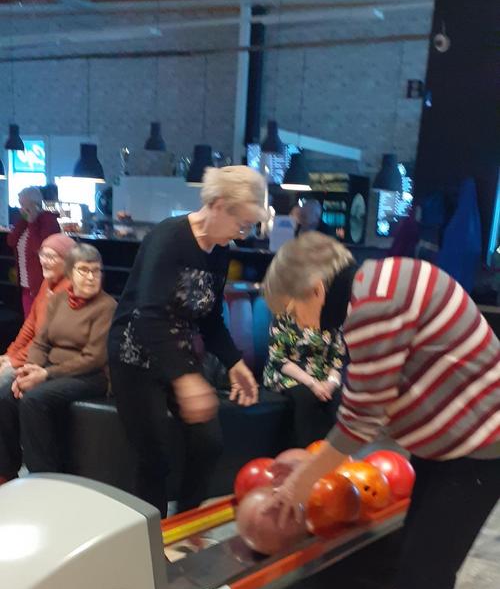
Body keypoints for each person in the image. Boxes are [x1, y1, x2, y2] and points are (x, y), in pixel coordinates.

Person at [264, 233, 500, 589]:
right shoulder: (381, 281)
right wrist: (313, 463)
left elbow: (359, 422)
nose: (296, 324)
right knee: (415, 551)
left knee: (427, 569)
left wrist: (302, 481)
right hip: (453, 440)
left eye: (291, 311)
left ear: (315, 290)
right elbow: (377, 398)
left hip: (479, 446)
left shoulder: (372, 308)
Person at [107, 165, 266, 516]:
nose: (242, 234)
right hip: (134, 353)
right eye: (242, 224)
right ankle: (151, 539)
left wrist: (234, 363)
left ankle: (184, 525)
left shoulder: (220, 250)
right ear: (219, 205)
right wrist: (186, 380)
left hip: (177, 353)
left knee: (209, 444)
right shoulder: (169, 238)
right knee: (154, 458)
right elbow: (149, 315)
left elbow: (210, 318)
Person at [0, 244, 116, 482]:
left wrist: (46, 374)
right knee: (5, 395)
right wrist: (28, 370)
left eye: (96, 270)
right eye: (84, 270)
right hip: (50, 369)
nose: (91, 277)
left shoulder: (107, 306)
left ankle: (43, 477)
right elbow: (41, 341)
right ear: (70, 273)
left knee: (33, 399)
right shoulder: (59, 299)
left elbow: (94, 358)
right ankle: (6, 471)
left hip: (90, 375)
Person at [262, 308, 347, 448]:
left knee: (339, 397)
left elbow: (338, 358)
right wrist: (312, 383)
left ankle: (337, 454)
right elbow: (278, 358)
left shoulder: (332, 316)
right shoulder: (283, 316)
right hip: (289, 375)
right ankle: (307, 453)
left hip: (323, 377)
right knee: (306, 396)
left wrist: (331, 383)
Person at [0, 232, 75, 387]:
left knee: (5, 378)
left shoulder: (70, 291)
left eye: (51, 257)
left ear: (68, 262)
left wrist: (15, 360)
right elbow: (30, 325)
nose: (44, 261)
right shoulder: (47, 283)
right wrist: (10, 353)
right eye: (42, 255)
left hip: (50, 360)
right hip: (33, 354)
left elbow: (45, 339)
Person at [7, 187, 61, 317]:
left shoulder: (49, 221)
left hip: (42, 286)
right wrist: (24, 220)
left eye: (23, 204)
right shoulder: (25, 221)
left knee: (42, 323)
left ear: (34, 204)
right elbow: (11, 241)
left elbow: (39, 249)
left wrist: (32, 222)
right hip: (25, 285)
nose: (20, 208)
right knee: (29, 322)